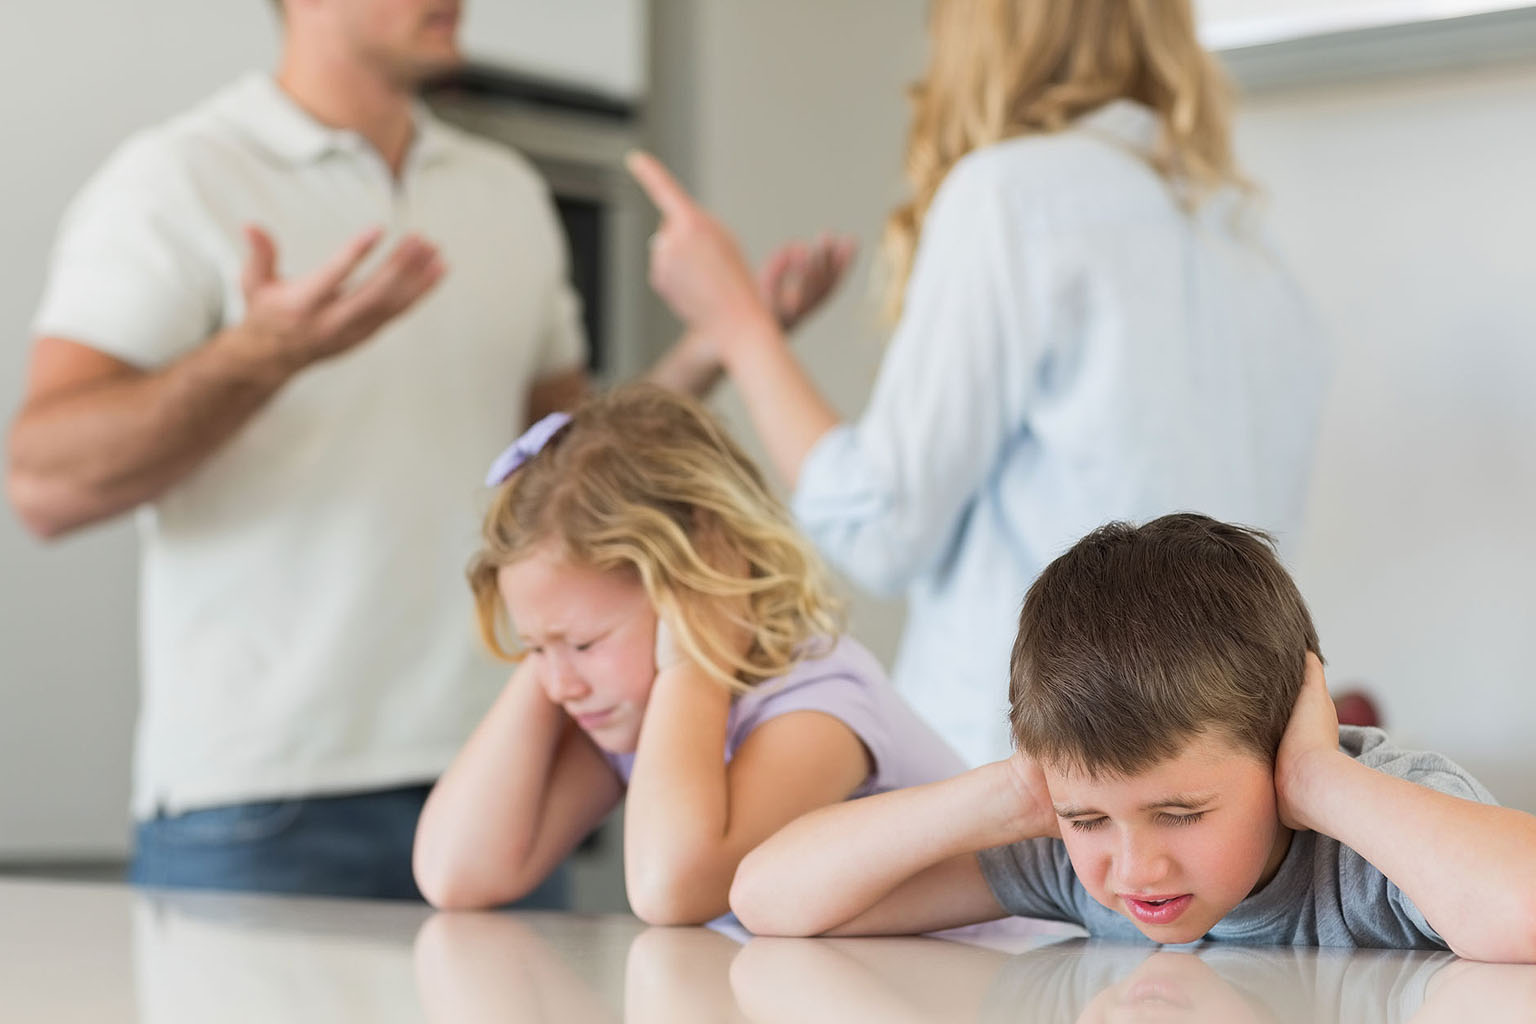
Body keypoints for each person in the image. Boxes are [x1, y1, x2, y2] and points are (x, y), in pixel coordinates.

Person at [3, 0, 848, 900]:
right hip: (264, 799)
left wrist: (724, 339)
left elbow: (567, 473)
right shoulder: (180, 179)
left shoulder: (504, 193)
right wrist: (258, 356)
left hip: (502, 772)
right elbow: (41, 482)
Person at [627, 0, 1329, 766]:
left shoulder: (1012, 194)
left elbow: (881, 526)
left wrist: (739, 324)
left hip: (1029, 778)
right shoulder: (1243, 237)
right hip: (1209, 781)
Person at [729, 514, 1536, 962]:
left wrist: (1322, 781)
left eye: (1181, 814)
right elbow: (767, 900)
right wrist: (1014, 794)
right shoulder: (1071, 857)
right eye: (1089, 819)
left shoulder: (1371, 837)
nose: (1135, 867)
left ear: (1282, 739)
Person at [410, 384, 963, 922]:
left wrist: (693, 659)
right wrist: (554, 641)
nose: (560, 686)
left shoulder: (820, 704)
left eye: (583, 644)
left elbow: (671, 887)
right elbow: (454, 872)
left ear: (704, 578)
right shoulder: (633, 708)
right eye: (534, 649)